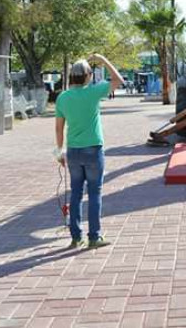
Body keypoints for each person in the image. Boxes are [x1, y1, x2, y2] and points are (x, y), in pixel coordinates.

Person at [55, 54, 123, 249]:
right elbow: (118, 80)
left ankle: (76, 237)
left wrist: (59, 151)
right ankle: (94, 236)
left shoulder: (63, 97)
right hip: (93, 149)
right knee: (95, 193)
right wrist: (103, 59)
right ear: (88, 75)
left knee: (75, 194)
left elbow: (59, 128)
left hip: (73, 151)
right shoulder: (94, 92)